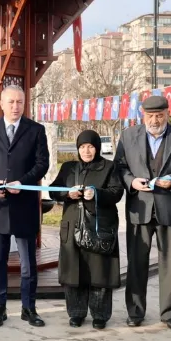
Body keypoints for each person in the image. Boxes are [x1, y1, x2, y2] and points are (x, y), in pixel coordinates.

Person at [114, 94, 171, 330]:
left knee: (170, 263)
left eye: (159, 115)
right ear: (143, 115)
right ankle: (135, 311)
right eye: (150, 116)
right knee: (136, 262)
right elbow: (119, 167)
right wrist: (131, 181)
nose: (155, 120)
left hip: (170, 209)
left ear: (167, 114)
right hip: (139, 209)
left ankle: (170, 313)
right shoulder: (128, 136)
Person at [0, 85, 50, 328]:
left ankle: (29, 307)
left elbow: (42, 163)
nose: (15, 106)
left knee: (28, 263)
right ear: (1, 103)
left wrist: (25, 182)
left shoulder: (36, 130)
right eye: (11, 102)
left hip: (25, 204)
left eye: (19, 102)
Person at [48, 129, 124, 330]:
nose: (87, 151)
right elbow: (53, 189)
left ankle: (100, 315)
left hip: (99, 227)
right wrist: (67, 194)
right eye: (82, 147)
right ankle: (76, 313)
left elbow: (117, 192)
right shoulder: (69, 168)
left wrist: (97, 194)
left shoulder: (109, 167)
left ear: (97, 147)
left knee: (99, 271)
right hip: (73, 225)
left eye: (90, 146)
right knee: (75, 271)